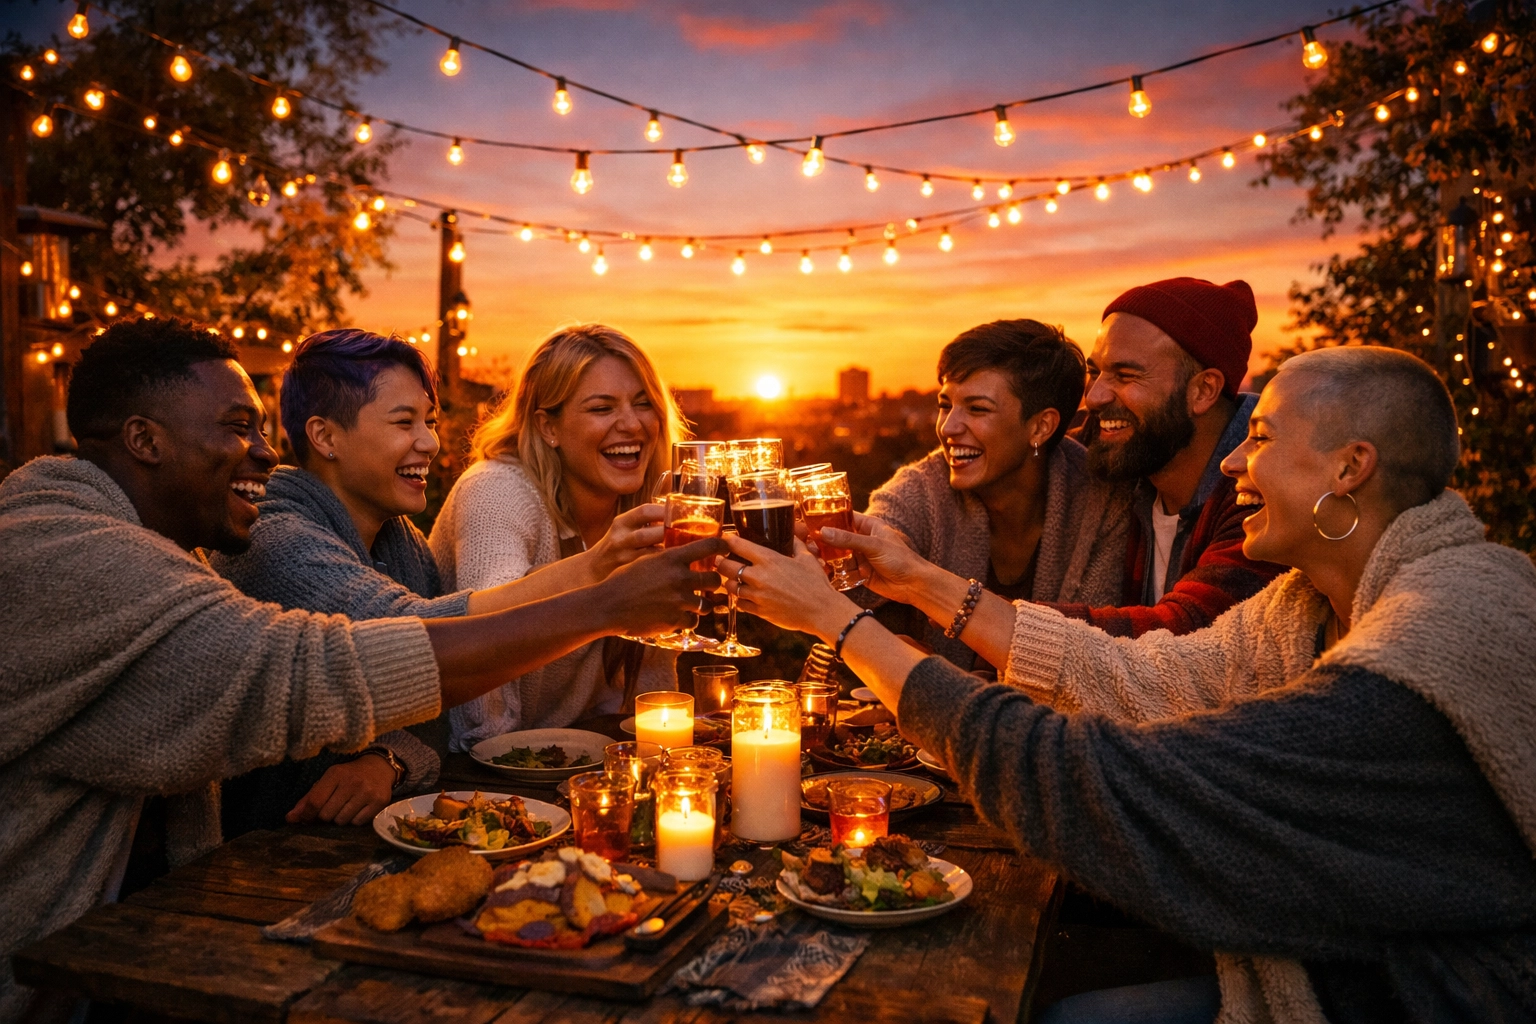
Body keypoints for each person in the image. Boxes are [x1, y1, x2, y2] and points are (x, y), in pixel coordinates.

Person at [720, 346, 1536, 1022]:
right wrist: (918, 583)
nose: (1232, 460)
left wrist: (839, 623)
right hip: (1313, 966)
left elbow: (1113, 782)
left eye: (1263, 439)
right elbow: (1121, 677)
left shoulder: (1442, 633)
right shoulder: (1305, 610)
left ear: (1351, 467)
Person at [0, 317, 720, 1024]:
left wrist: (393, 750)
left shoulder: (207, 545)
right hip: (50, 980)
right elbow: (328, 668)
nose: (261, 452)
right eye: (235, 427)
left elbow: (423, 693)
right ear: (143, 440)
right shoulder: (72, 556)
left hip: (142, 934)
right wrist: (602, 600)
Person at [210, 330, 668, 834]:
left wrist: (390, 758)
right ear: (325, 437)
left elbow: (434, 700)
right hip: (259, 848)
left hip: (351, 834)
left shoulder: (397, 536)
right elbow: (421, 645)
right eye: (404, 422)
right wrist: (599, 579)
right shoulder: (275, 538)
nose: (430, 442)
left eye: (428, 421)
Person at [431, 324, 684, 750]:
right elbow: (484, 654)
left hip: (572, 763)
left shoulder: (645, 509)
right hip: (469, 769)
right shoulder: (496, 491)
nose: (632, 424)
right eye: (602, 408)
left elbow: (648, 684)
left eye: (644, 404)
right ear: (548, 427)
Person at [861, 319, 1129, 671]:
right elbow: (863, 561)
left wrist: (943, 684)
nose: (949, 428)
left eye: (977, 409)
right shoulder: (920, 490)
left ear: (1040, 427)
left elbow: (1089, 658)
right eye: (946, 405)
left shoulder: (1102, 502)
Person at [1051, 277, 1286, 636]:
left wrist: (977, 611)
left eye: (1125, 375)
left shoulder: (1264, 489)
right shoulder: (1135, 450)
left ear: (1204, 390)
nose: (1095, 397)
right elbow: (1020, 448)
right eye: (1095, 372)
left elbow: (1187, 633)